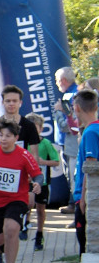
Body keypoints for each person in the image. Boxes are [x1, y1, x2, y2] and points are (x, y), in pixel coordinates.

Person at [0, 120, 42, 263]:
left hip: (17, 199)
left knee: (12, 228)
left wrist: (37, 183)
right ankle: (2, 251)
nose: (3, 139)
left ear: (16, 137)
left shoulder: (23, 155)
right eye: (0, 135)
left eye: (8, 136)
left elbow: (37, 173)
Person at [25, 113, 60, 251]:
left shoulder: (45, 143)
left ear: (41, 129)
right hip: (27, 180)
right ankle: (25, 223)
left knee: (40, 208)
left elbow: (56, 161)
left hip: (43, 181)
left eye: (36, 128)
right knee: (29, 202)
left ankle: (39, 234)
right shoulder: (23, 143)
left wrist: (42, 162)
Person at [72, 89, 99, 259]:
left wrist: (83, 198)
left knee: (85, 239)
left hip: (85, 196)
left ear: (76, 108)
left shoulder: (90, 133)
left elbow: (91, 167)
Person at [53, 66, 80, 214]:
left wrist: (58, 110)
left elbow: (69, 126)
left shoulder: (71, 96)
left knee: (73, 175)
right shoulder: (69, 95)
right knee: (71, 174)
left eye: (57, 81)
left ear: (63, 80)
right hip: (66, 142)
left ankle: (76, 206)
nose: (57, 84)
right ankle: (73, 203)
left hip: (70, 143)